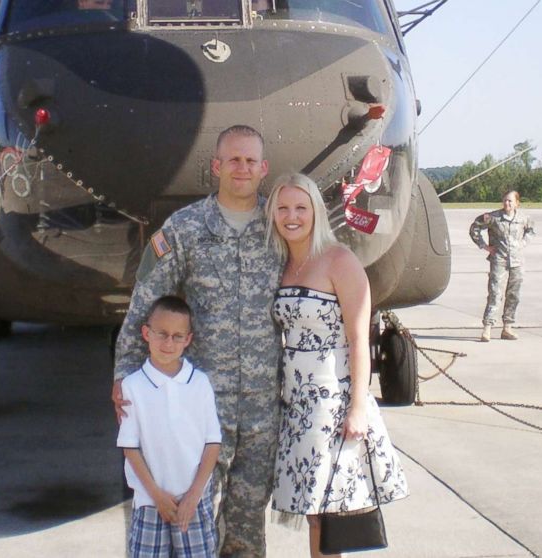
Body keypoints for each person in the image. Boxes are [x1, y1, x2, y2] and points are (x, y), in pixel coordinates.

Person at [113, 125, 283, 557]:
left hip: (264, 407)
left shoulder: (279, 226)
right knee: (192, 523)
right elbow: (144, 306)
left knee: (248, 525)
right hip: (199, 407)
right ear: (216, 167)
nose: (242, 168)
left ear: (263, 169)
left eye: (250, 161)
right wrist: (124, 378)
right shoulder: (185, 229)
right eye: (233, 160)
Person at [265, 173, 408, 558]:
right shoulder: (281, 264)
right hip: (296, 404)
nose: (291, 216)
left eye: (300, 207)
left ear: (315, 212)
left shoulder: (339, 261)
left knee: (331, 515)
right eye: (282, 208)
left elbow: (360, 339)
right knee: (314, 510)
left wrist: (358, 407)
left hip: (333, 401)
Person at [118, 296, 221, 557]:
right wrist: (157, 496)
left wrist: (194, 495)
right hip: (150, 502)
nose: (168, 343)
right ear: (146, 333)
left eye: (177, 336)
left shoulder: (200, 383)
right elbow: (130, 448)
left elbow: (212, 443)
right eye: (162, 334)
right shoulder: (132, 386)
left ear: (188, 340)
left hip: (193, 503)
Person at [469, 190, 536, 342]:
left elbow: (531, 230)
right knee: (495, 294)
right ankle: (487, 328)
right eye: (505, 200)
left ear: (517, 203)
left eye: (510, 201)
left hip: (517, 262)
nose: (507, 204)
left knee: (513, 295)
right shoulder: (493, 218)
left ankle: (507, 328)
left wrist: (523, 243)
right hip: (499, 260)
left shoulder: (523, 218)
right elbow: (474, 228)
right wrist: (485, 246)